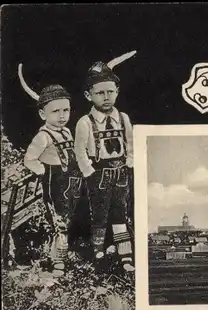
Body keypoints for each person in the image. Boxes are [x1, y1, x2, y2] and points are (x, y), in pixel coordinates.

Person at [74, 51, 136, 273]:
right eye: (99, 93)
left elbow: (131, 143)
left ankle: (125, 255)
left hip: (120, 172)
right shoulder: (85, 122)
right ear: (88, 95)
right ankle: (98, 253)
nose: (106, 96)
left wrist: (130, 162)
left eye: (110, 91)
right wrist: (88, 171)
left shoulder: (123, 118)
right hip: (98, 174)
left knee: (121, 212)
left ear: (117, 92)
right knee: (99, 214)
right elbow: (79, 149)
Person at [20, 64, 82, 277]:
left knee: (71, 218)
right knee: (59, 223)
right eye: (55, 111)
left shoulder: (66, 132)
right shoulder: (43, 136)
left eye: (66, 110)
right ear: (42, 113)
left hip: (71, 181)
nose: (62, 115)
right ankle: (58, 266)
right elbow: (29, 158)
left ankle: (67, 255)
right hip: (54, 181)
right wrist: (41, 170)